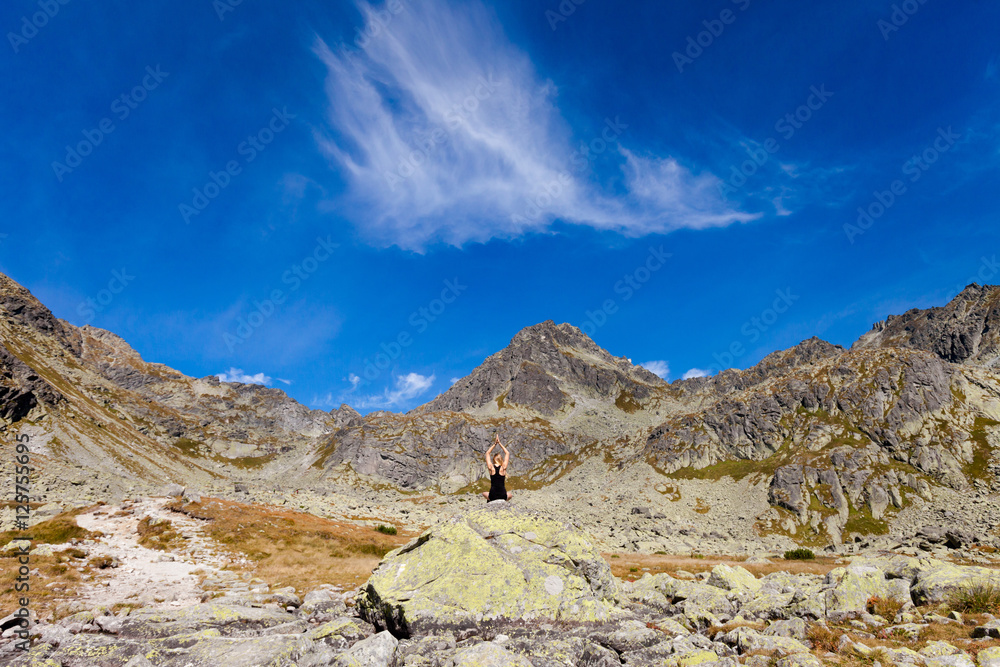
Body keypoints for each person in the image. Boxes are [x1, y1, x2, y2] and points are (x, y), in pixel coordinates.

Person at [481, 433, 512, 502]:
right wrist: (500, 443)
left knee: (484, 493)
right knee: (510, 495)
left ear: (493, 459)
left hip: (493, 495)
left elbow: (487, 453)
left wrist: (495, 444)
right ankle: (503, 502)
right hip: (502, 495)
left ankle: (491, 501)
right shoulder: (503, 468)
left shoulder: (491, 467)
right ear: (501, 460)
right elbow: (507, 453)